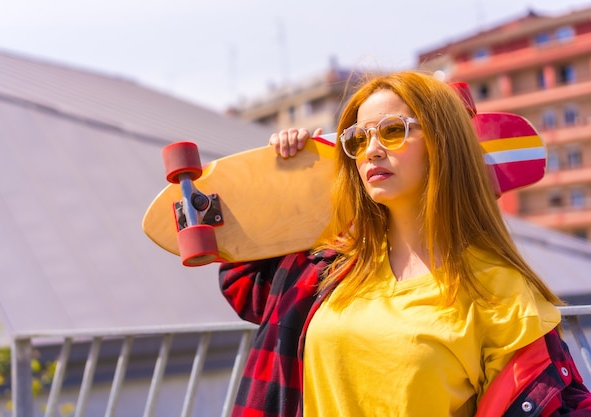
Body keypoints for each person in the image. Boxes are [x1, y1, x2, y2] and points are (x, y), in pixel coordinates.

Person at [219, 70, 591, 416]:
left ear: (444, 145)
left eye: (393, 131)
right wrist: (291, 183)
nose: (372, 150)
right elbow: (245, 283)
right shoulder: (330, 267)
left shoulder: (500, 292)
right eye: (359, 138)